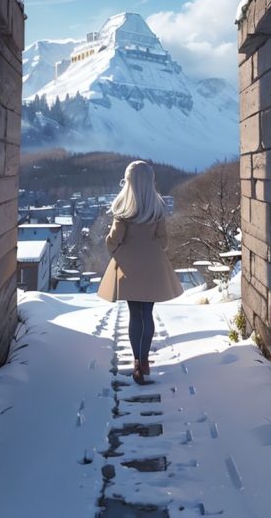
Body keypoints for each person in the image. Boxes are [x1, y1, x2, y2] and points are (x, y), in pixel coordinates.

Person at [97, 160, 183, 384]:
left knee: (134, 316)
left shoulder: (124, 212)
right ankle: (145, 360)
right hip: (153, 267)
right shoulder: (157, 210)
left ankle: (137, 361)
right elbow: (163, 240)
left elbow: (113, 241)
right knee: (147, 315)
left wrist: (119, 252)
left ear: (129, 182)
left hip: (129, 269)